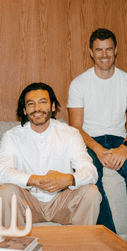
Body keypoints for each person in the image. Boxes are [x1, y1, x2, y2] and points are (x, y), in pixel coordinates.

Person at [68, 28, 127, 247]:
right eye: (99, 50)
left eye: (109, 49)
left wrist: (124, 147)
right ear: (91, 52)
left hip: (119, 139)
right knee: (92, 180)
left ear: (116, 50)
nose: (104, 55)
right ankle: (111, 239)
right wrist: (98, 150)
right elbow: (76, 127)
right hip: (88, 140)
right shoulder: (79, 83)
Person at [0, 83, 101, 227]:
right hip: (28, 203)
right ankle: (14, 241)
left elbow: (90, 171)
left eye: (43, 102)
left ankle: (81, 240)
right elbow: (3, 172)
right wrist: (34, 180)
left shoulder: (70, 134)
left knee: (91, 192)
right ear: (24, 110)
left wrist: (68, 179)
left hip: (62, 203)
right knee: (5, 191)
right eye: (31, 104)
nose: (37, 108)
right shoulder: (11, 137)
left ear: (53, 107)